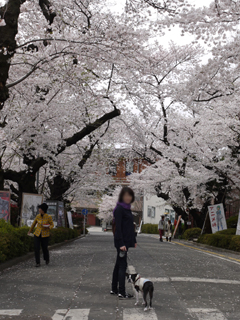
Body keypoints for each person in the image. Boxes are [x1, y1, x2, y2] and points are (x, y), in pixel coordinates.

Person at [111, 187, 137, 298]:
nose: (128, 198)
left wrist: (134, 240)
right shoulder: (119, 209)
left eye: (130, 196)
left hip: (126, 241)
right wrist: (121, 243)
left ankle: (114, 289)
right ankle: (121, 291)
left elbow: (130, 227)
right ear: (122, 196)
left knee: (118, 265)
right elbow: (119, 229)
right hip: (121, 242)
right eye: (126, 195)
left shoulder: (127, 209)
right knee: (122, 266)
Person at [28, 203, 54, 267]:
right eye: (39, 208)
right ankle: (37, 262)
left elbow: (52, 224)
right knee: (36, 248)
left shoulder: (48, 217)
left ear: (43, 210)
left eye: (40, 209)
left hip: (45, 235)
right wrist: (30, 231)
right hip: (37, 234)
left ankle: (46, 259)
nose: (39, 210)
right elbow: (33, 224)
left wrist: (48, 227)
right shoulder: (38, 216)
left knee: (44, 248)